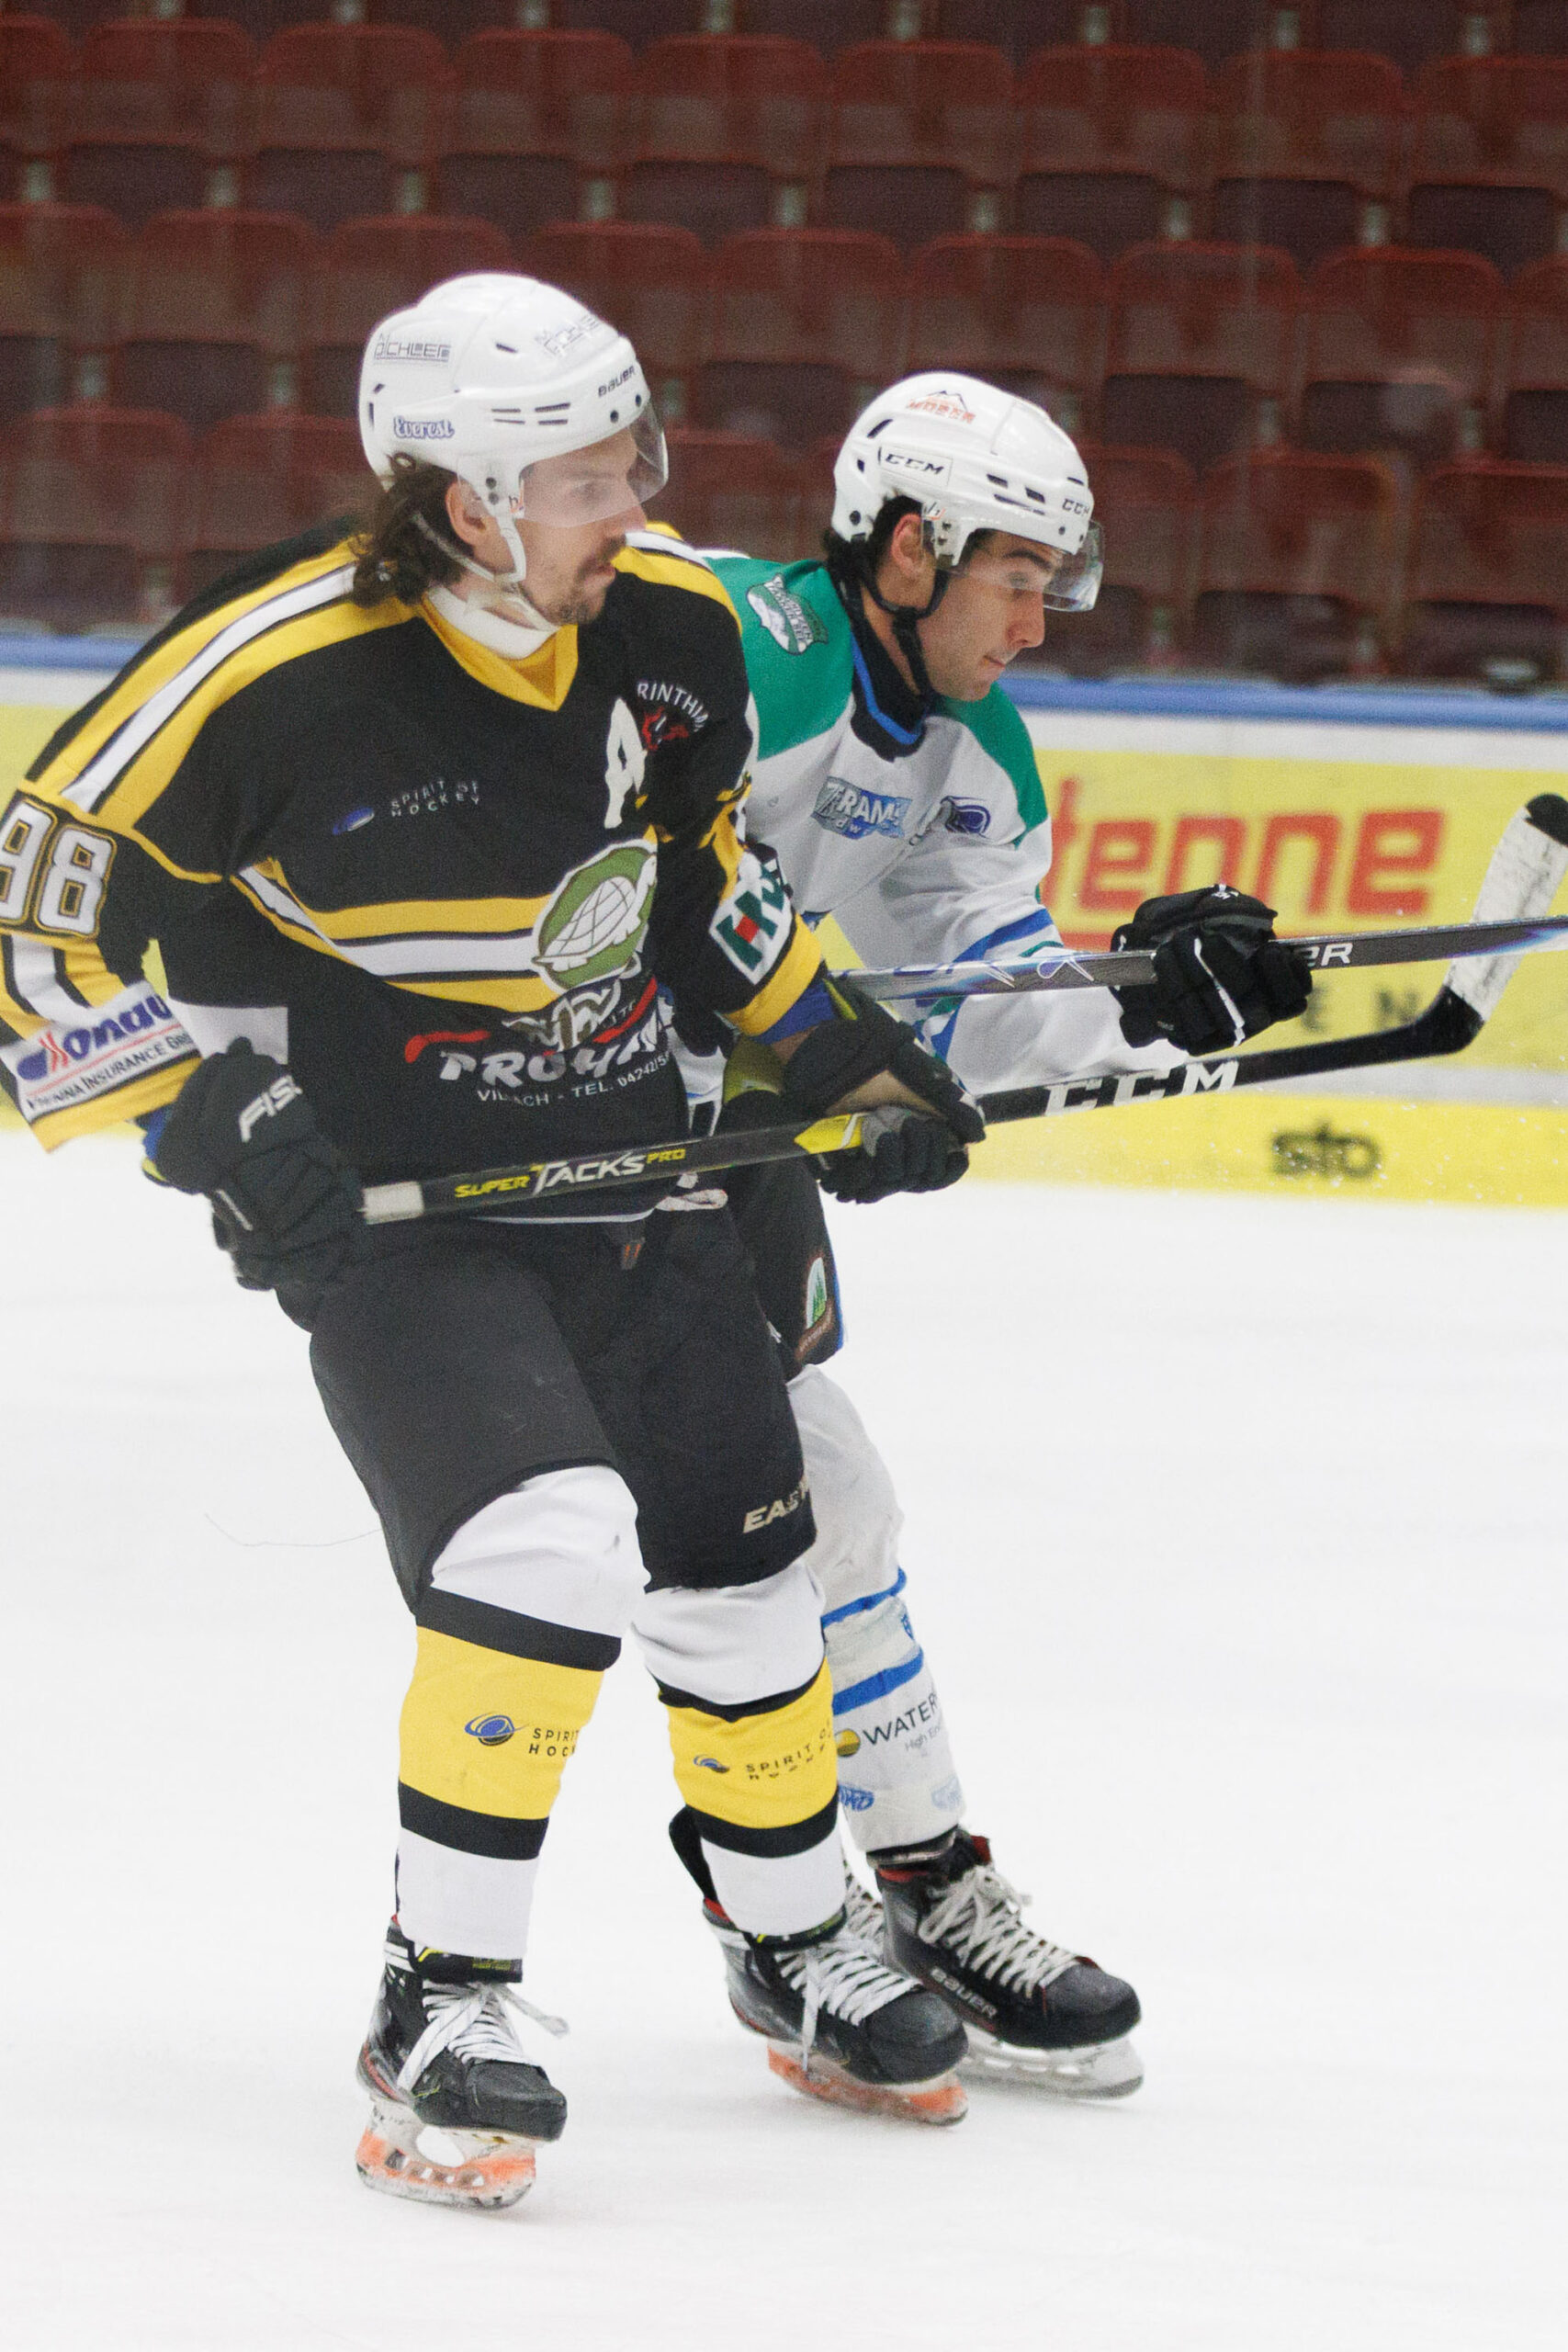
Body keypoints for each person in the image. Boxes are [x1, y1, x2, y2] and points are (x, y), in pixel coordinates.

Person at [0, 283, 990, 2209]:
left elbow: (698, 874)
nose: (633, 503)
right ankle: (439, 1996)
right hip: (401, 1212)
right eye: (584, 478)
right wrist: (204, 1119)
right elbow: (29, 941)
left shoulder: (671, 624)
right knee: (543, 1540)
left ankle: (792, 1935)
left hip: (631, 1163)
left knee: (747, 1553)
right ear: (463, 503)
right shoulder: (260, 674)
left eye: (634, 458)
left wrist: (835, 1050)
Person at [645, 373, 1312, 2098]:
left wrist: (1154, 996)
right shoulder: (726, 642)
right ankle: (777, 1916)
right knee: (668, 1546)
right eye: (1019, 576)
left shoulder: (977, 754)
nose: (1038, 621)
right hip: (576, 1143)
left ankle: (908, 1889)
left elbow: (988, 997)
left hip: (730, 1158)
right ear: (909, 545)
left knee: (823, 1510)